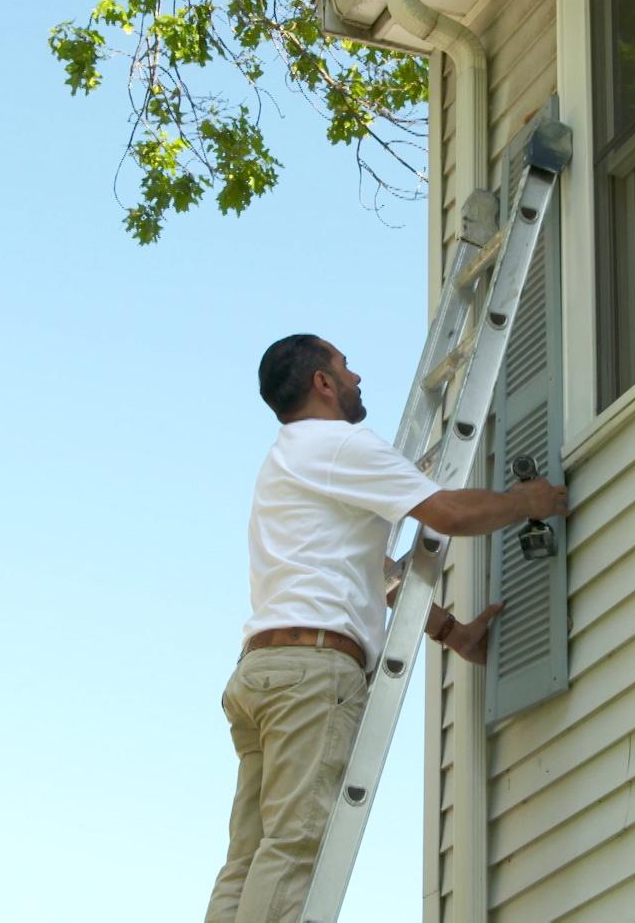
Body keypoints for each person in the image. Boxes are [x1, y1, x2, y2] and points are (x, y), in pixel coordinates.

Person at [205, 334, 569, 923]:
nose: (357, 378)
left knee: (248, 858)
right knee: (295, 848)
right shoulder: (337, 445)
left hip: (262, 674)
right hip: (310, 677)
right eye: (345, 368)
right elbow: (447, 513)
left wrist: (450, 631)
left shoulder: (286, 460)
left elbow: (373, 574)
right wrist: (525, 502)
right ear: (323, 384)